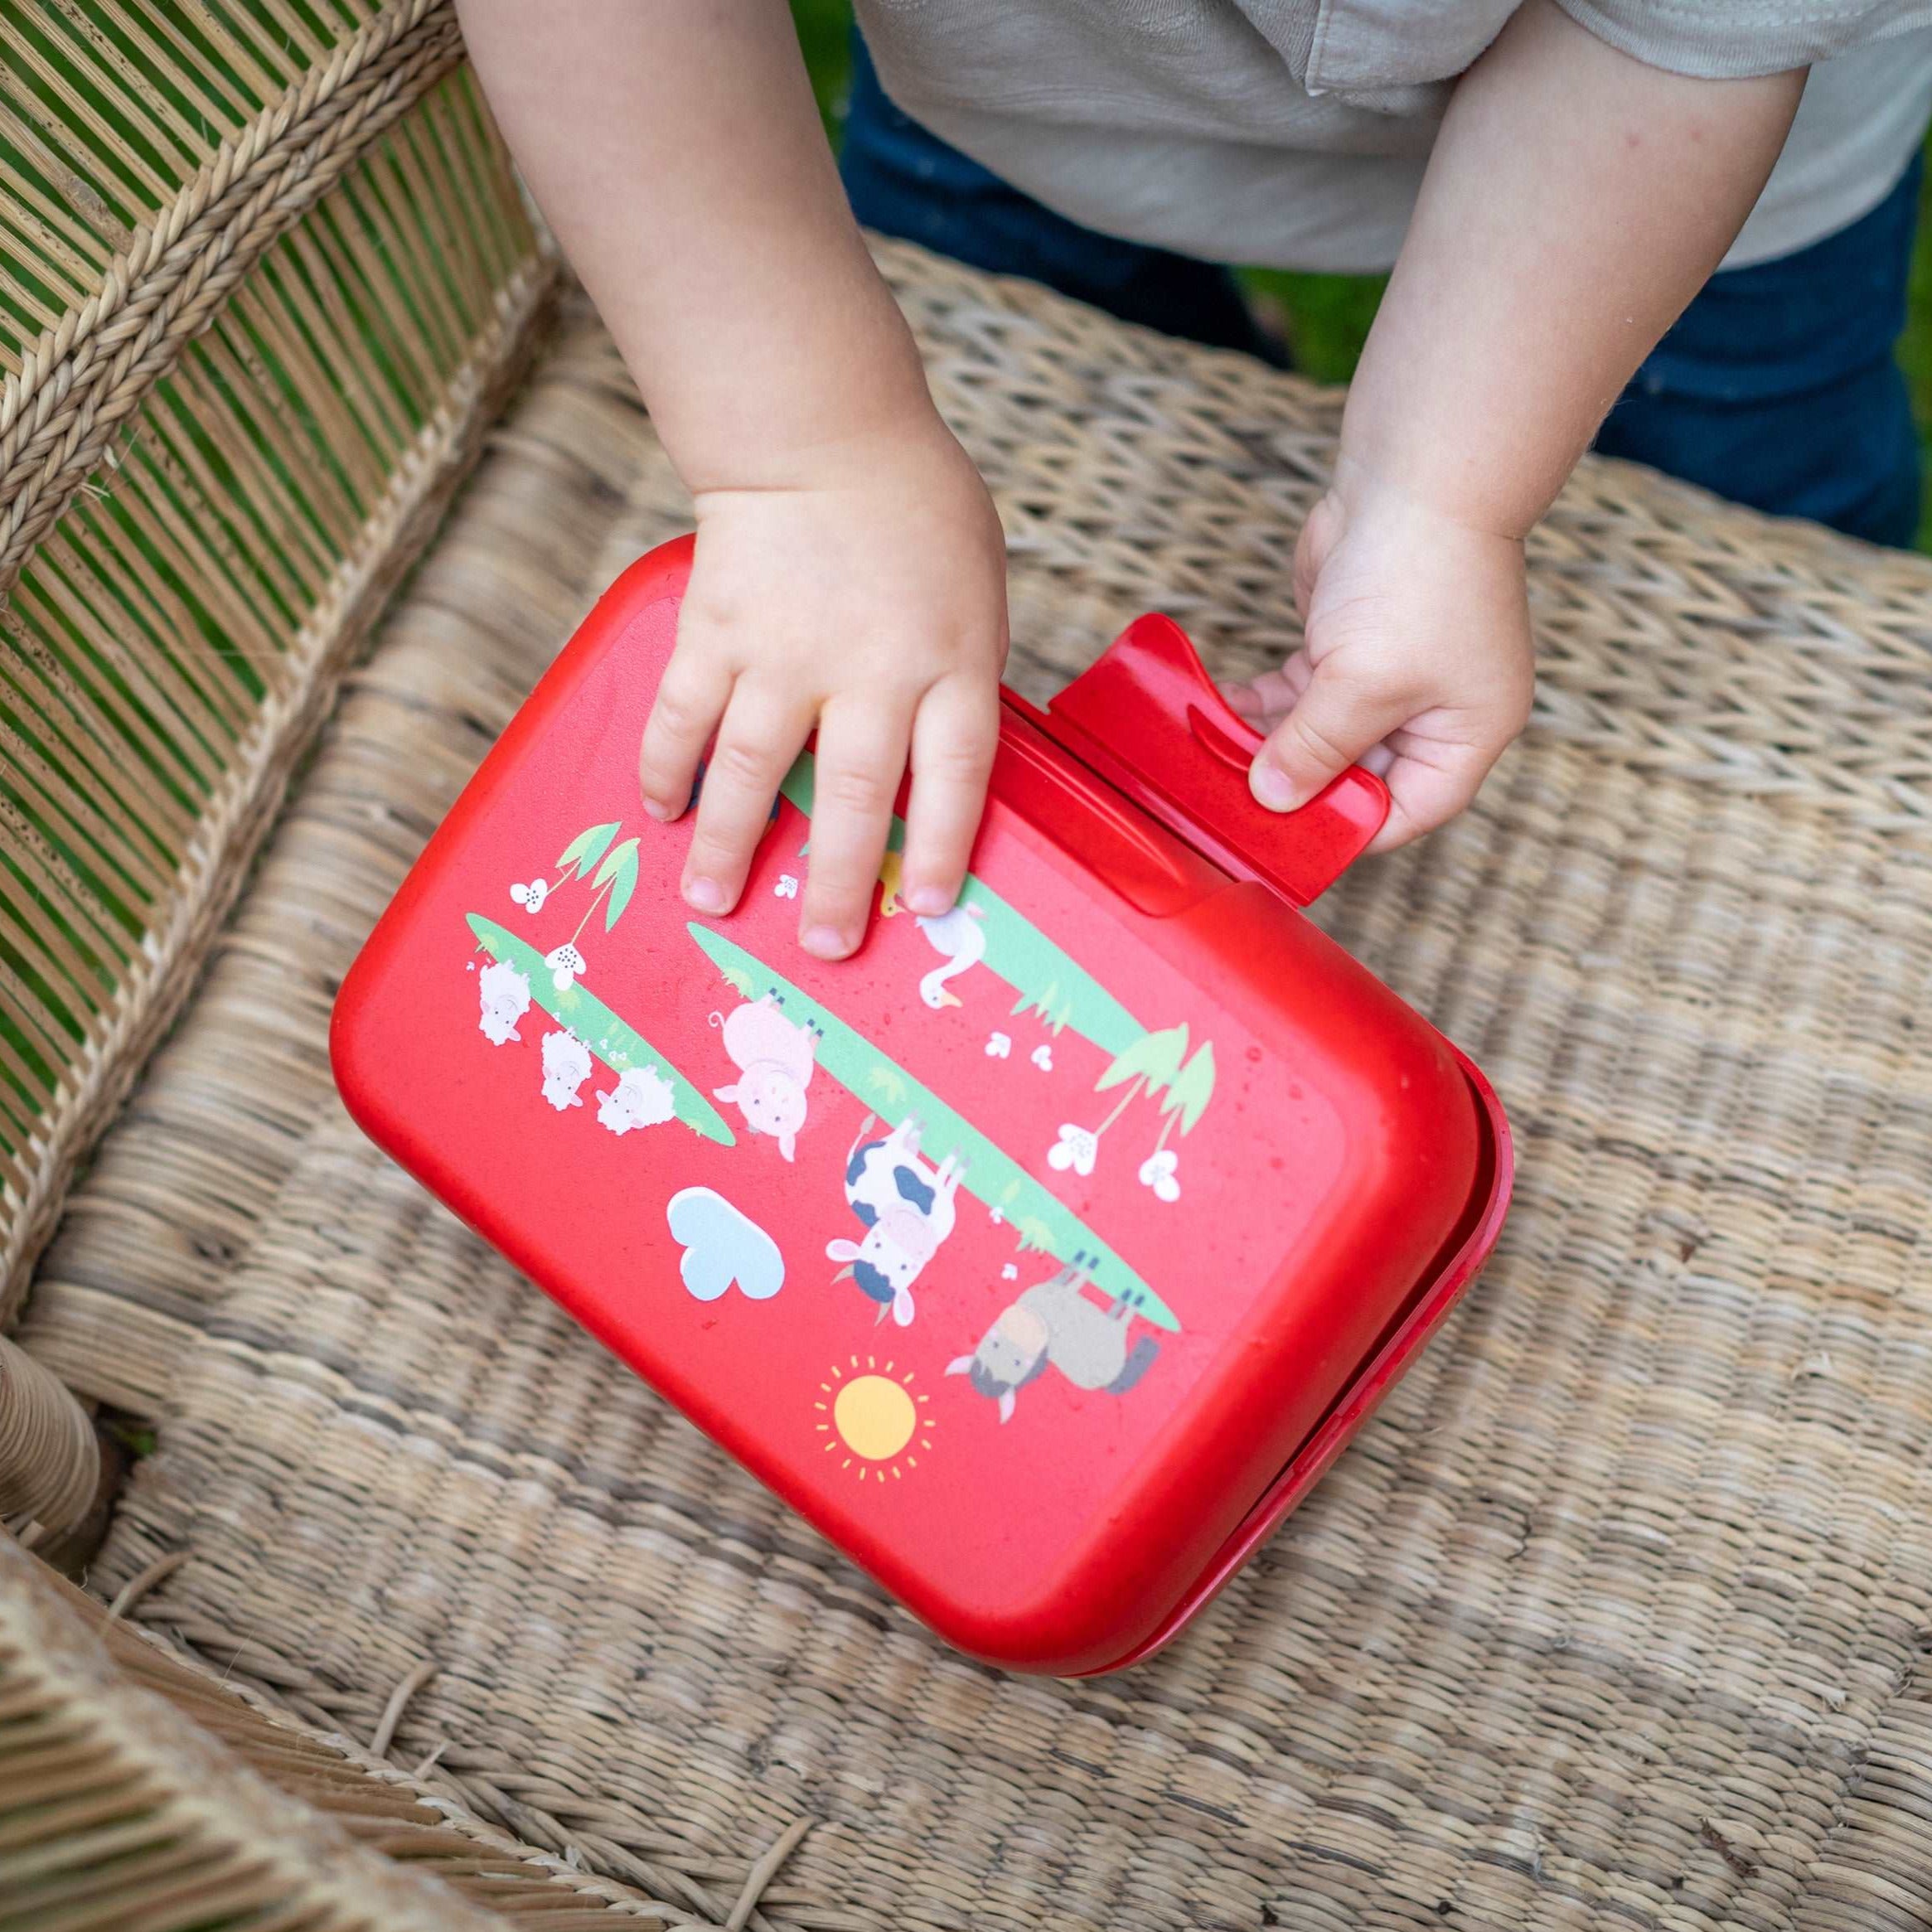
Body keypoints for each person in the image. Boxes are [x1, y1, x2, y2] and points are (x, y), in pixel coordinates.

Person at [457, 1, 1932, 964]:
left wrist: (1435, 497)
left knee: (1761, 478)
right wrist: (810, 456)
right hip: (1037, 102)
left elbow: (1680, 31)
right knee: (1060, 304)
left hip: (1675, 172)